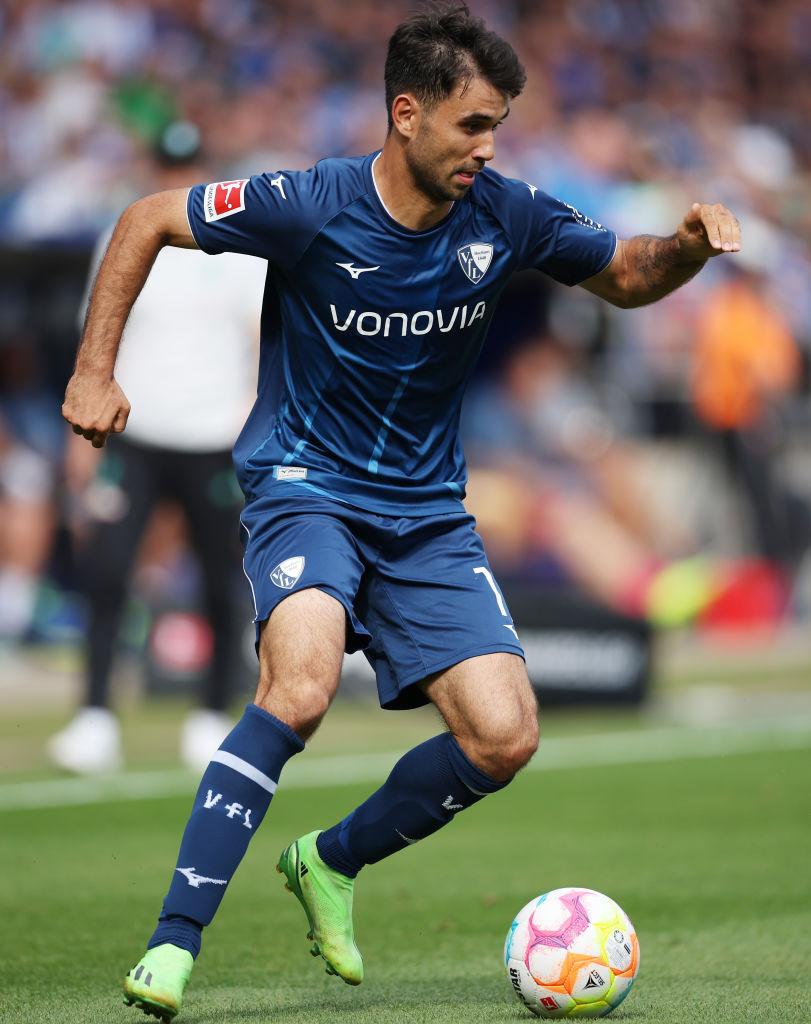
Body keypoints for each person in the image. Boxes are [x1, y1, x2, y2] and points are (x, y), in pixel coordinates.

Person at [61, 5, 741, 1019]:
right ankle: (173, 940)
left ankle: (328, 861)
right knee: (299, 685)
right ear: (407, 114)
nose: (487, 147)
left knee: (504, 736)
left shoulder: (506, 213)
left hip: (425, 512)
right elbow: (149, 216)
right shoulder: (309, 203)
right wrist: (93, 368)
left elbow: (629, 274)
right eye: (472, 124)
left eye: (497, 125)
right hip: (305, 484)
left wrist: (683, 248)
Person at [49, 122, 266, 774]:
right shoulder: (123, 236)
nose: (177, 177)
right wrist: (81, 437)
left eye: (188, 164)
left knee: (221, 579)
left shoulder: (241, 246)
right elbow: (97, 337)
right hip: (132, 435)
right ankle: (94, 716)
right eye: (168, 165)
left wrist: (253, 425)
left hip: (214, 440)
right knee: (107, 571)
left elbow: (262, 339)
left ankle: (211, 714)